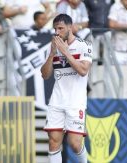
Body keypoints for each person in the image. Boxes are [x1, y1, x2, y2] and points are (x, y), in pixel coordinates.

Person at [41, 14, 92, 163]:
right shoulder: (53, 48)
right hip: (57, 101)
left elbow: (83, 71)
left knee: (75, 144)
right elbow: (45, 75)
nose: (57, 32)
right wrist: (52, 53)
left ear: (70, 27)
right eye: (55, 28)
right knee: (53, 142)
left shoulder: (84, 45)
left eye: (61, 28)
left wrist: (65, 52)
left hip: (75, 102)